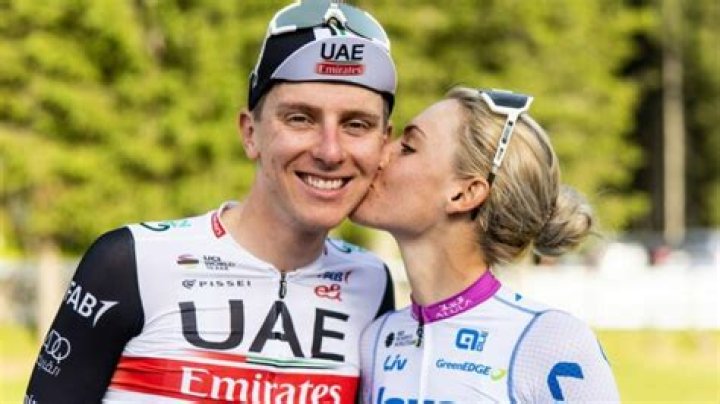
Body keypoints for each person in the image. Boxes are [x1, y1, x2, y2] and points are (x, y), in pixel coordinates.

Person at [25, 1, 397, 402]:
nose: (329, 151)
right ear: (250, 133)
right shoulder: (132, 260)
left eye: (356, 125)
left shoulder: (371, 282)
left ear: (384, 144)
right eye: (300, 118)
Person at [354, 87, 620, 403]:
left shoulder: (552, 342)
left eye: (408, 147)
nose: (379, 155)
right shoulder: (374, 340)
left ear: (465, 194)